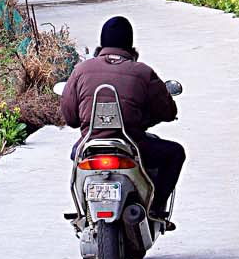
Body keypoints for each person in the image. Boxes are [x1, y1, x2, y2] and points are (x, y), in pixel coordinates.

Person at [61, 15, 186, 218]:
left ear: (101, 45)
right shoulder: (143, 72)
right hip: (132, 145)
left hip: (90, 145)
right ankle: (156, 206)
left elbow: (71, 118)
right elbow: (168, 112)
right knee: (175, 153)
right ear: (131, 46)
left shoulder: (80, 70)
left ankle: (83, 211)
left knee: (75, 154)